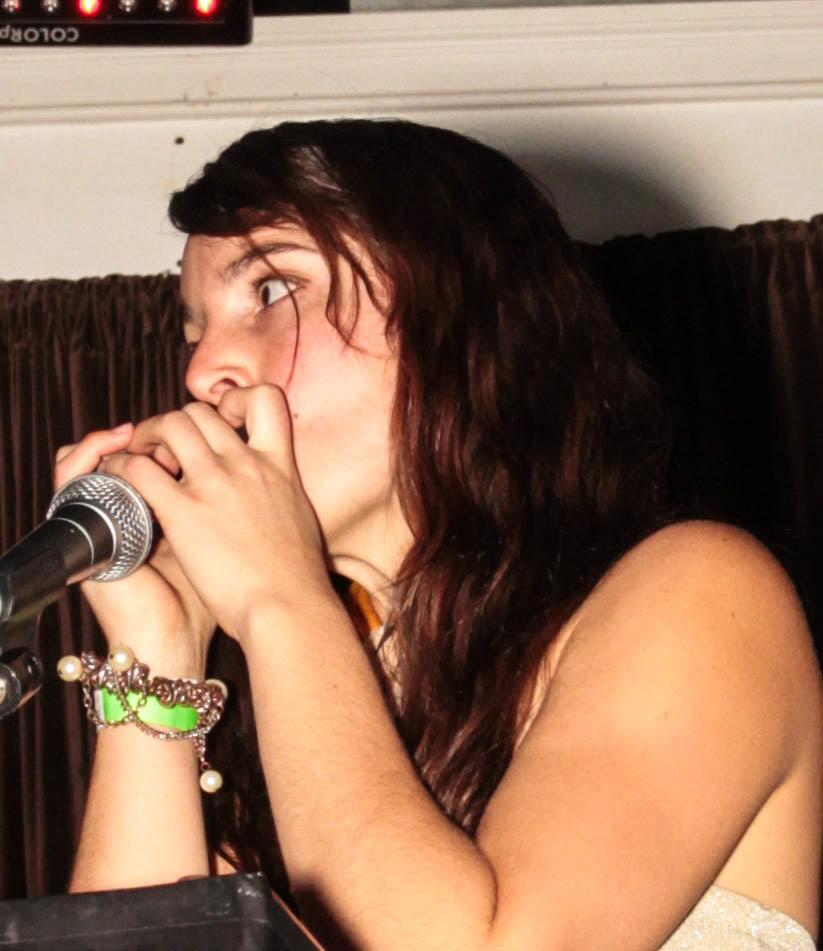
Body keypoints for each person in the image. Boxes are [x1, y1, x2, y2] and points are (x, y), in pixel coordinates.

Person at [54, 119, 822, 950]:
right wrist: (157, 651)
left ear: (462, 319)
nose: (204, 371)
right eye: (195, 331)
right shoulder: (303, 705)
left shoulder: (701, 594)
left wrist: (279, 599)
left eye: (272, 290)